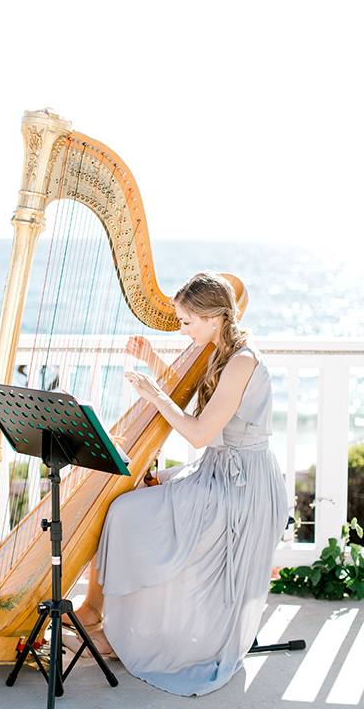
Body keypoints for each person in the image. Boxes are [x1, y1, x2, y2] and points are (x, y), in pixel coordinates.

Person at [63, 270, 289, 696]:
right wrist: (152, 360)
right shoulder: (220, 350)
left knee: (126, 513)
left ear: (215, 317)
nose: (183, 330)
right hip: (219, 468)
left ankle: (115, 624)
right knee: (134, 491)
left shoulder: (241, 360)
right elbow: (198, 398)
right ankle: (103, 615)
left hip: (240, 487)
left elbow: (200, 432)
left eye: (187, 322)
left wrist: (154, 395)